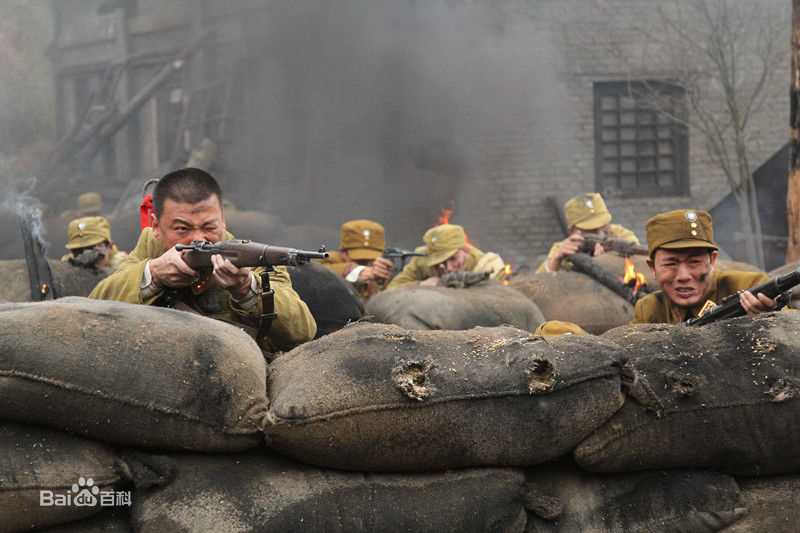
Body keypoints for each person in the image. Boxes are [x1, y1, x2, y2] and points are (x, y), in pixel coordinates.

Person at [89, 167, 316, 351]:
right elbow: (93, 309)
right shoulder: (152, 247)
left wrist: (248, 289)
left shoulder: (253, 258)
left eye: (209, 226)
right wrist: (154, 274)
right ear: (156, 226)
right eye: (182, 228)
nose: (198, 238)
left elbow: (302, 331)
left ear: (223, 221)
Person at [633, 209, 776, 324]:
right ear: (653, 268)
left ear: (712, 260)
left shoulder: (751, 288)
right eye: (671, 264)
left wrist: (770, 319)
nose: (684, 276)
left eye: (694, 262)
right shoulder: (648, 310)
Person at [537, 193, 639, 273]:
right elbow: (537, 285)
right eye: (591, 229)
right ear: (573, 231)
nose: (600, 234)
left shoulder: (620, 234)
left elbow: (639, 264)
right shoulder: (565, 248)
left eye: (603, 225)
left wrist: (609, 260)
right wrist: (554, 262)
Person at [387, 223, 505, 289]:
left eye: (453, 259)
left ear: (465, 250)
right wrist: (421, 284)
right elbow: (392, 290)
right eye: (439, 263)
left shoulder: (487, 266)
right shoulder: (422, 260)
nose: (448, 268)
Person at [322, 219, 394, 299]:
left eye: (372, 259)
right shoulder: (326, 259)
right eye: (360, 261)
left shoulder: (382, 268)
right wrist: (357, 271)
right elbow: (316, 270)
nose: (366, 265)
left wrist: (381, 283)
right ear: (343, 253)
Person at [61, 216, 128, 270]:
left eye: (92, 250)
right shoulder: (67, 264)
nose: (85, 257)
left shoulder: (124, 267)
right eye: (78, 251)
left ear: (109, 246)